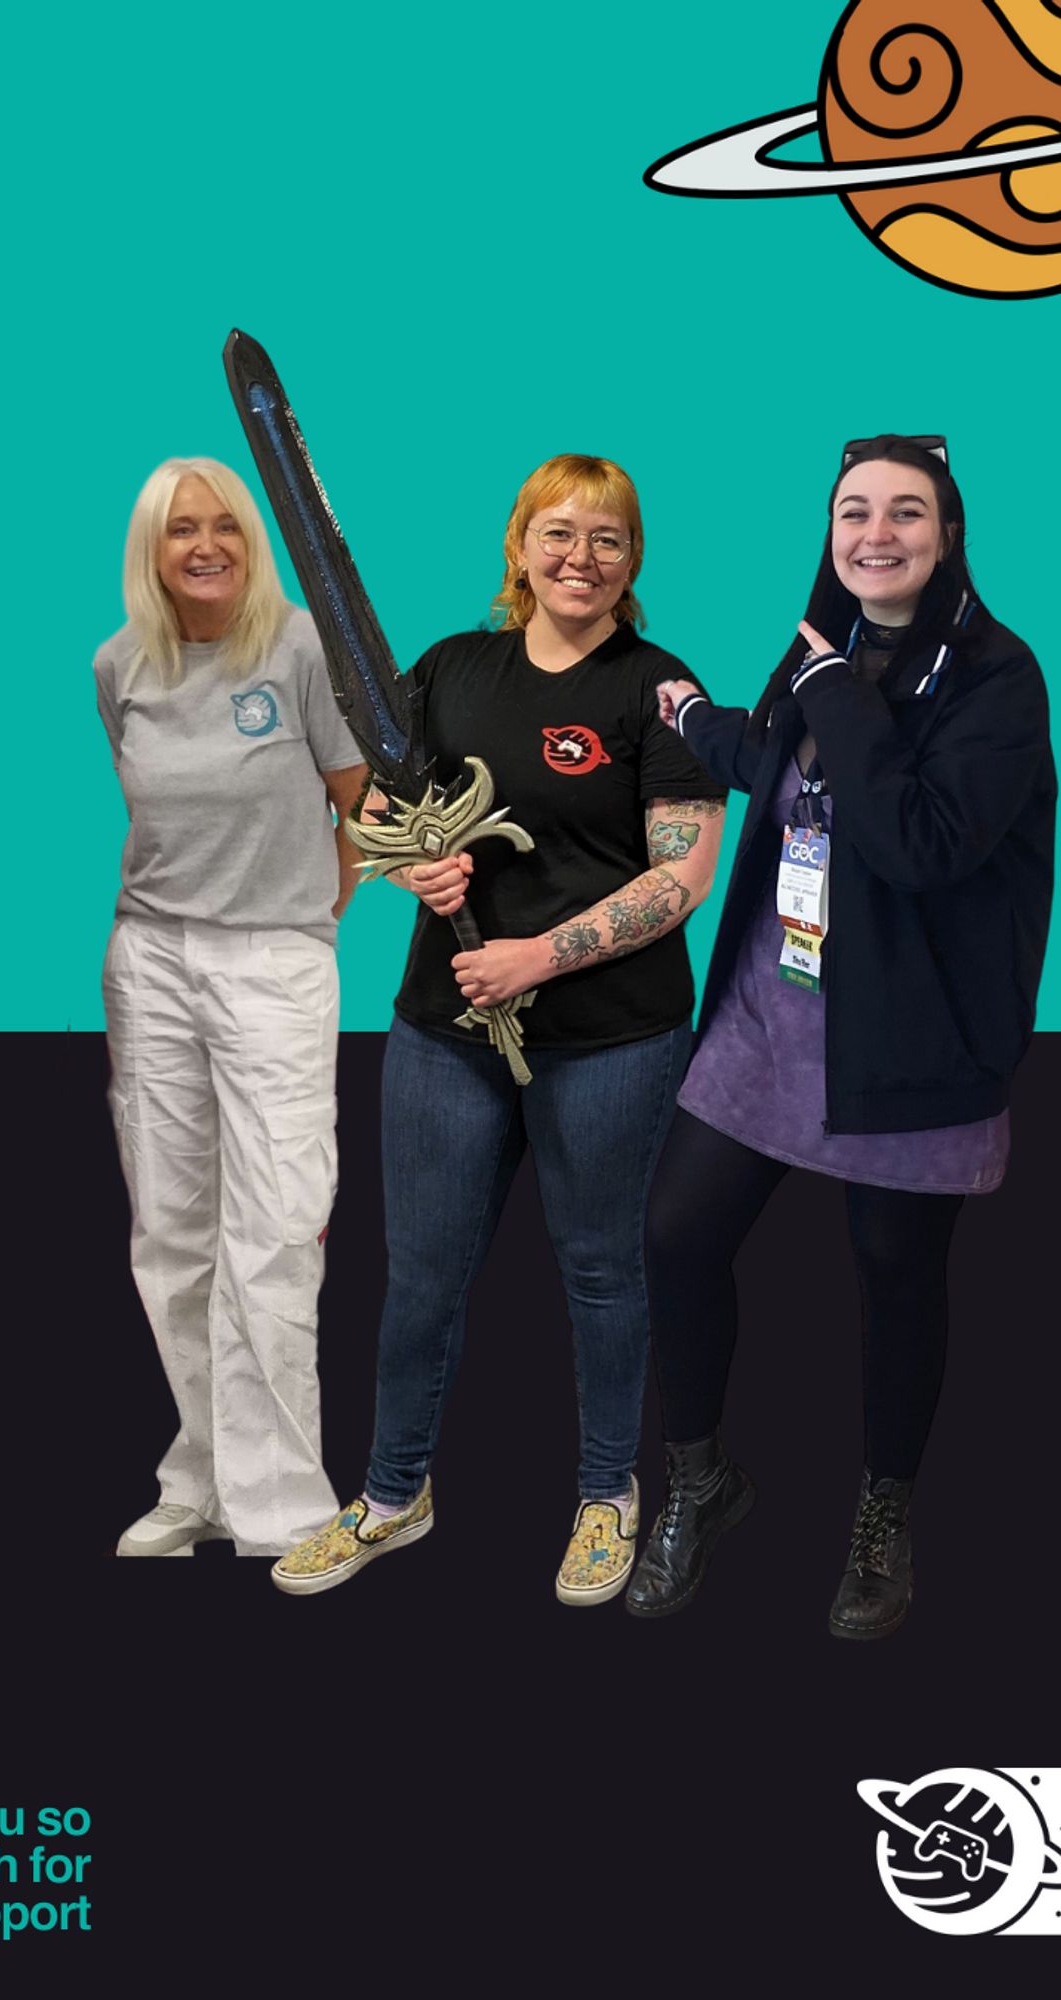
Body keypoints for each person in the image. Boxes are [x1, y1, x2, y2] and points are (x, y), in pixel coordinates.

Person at [272, 454, 727, 1604]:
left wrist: (542, 950)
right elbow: (375, 805)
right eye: (559, 533)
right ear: (519, 545)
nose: (581, 557)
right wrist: (411, 861)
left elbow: (680, 877)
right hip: (444, 1028)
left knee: (599, 1271)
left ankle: (603, 1495)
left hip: (610, 1036)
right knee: (420, 1273)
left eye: (608, 538)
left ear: (633, 561)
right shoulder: (446, 670)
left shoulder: (659, 690)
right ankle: (391, 1492)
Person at [627, 434, 1056, 1636]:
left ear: (949, 532)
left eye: (904, 512)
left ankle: (882, 1512)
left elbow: (916, 839)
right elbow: (785, 776)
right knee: (674, 1233)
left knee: (894, 1278)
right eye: (853, 511)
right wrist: (707, 719)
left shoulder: (997, 678)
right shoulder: (826, 648)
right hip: (776, 1010)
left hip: (912, 1040)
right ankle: (703, 1481)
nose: (874, 533)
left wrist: (824, 691)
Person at [97, 457, 368, 1559]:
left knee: (272, 1226)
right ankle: (199, 1476)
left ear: (252, 539)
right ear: (150, 550)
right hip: (151, 956)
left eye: (223, 526)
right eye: (179, 530)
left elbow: (362, 804)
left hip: (273, 960)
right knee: (170, 1226)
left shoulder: (299, 644)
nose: (204, 545)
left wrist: (309, 918)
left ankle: (285, 1504)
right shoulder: (120, 666)